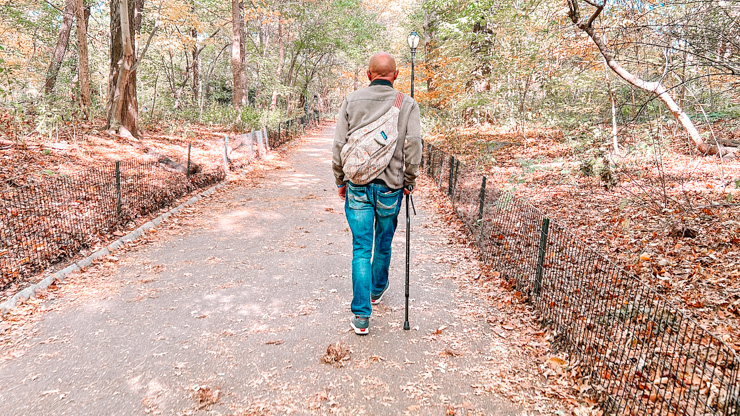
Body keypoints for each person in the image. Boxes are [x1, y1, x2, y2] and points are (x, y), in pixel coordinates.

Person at [332, 52, 422, 335]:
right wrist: (409, 179)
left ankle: (361, 317)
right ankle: (375, 290)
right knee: (383, 243)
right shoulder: (406, 104)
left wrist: (340, 179)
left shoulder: (351, 100)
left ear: (368, 75)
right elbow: (414, 145)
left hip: (357, 184)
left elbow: (338, 144)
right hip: (390, 187)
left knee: (361, 248)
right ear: (396, 75)